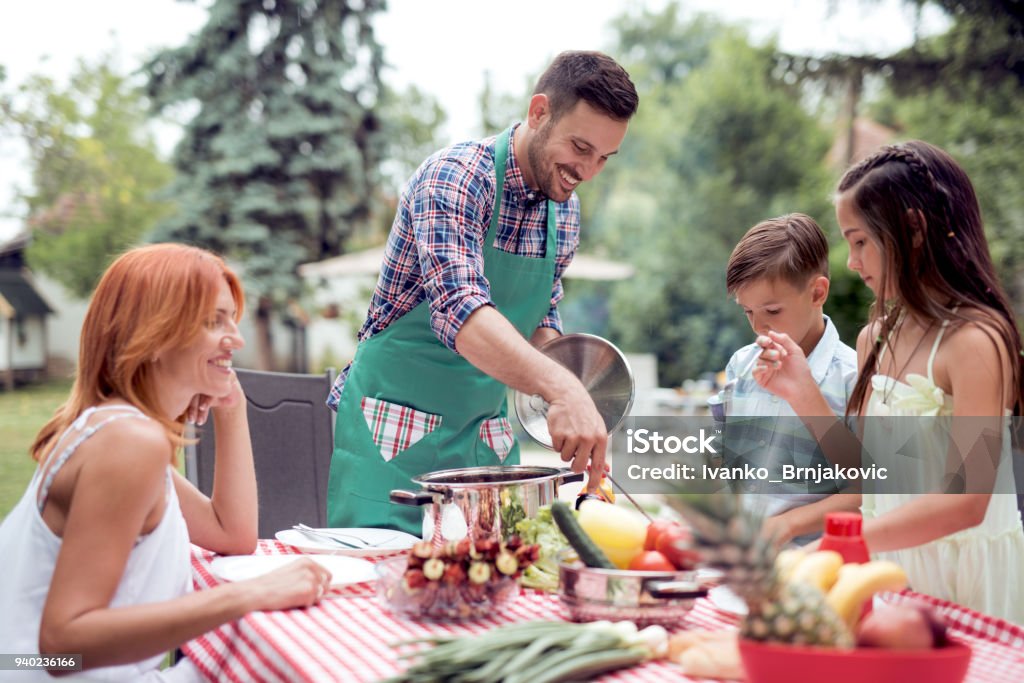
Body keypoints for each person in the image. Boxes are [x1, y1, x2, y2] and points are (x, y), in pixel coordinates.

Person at [325, 51, 639, 534]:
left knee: (494, 589)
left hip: (483, 444)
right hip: (395, 438)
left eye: (603, 157)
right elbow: (462, 313)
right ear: (538, 113)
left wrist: (577, 404)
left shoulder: (565, 212)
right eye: (580, 146)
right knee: (381, 593)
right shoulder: (455, 178)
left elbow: (540, 321)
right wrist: (561, 387)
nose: (588, 170)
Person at [0, 244, 333, 680]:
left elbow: (233, 534)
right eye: (212, 321)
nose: (236, 337)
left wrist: (231, 408)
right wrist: (249, 595)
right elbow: (62, 646)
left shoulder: (117, 429)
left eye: (232, 318)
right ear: (153, 335)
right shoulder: (128, 442)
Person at [752, 141, 1024, 623]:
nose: (852, 263)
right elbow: (867, 477)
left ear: (915, 230)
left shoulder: (976, 342)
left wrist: (835, 545)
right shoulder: (875, 338)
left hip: (963, 579)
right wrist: (799, 390)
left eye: (860, 241)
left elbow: (968, 502)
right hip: (888, 572)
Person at [716, 213, 861, 545]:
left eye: (772, 311)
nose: (758, 327)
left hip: (817, 563)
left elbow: (870, 491)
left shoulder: (855, 377)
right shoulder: (742, 365)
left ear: (817, 293)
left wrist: (786, 525)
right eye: (748, 312)